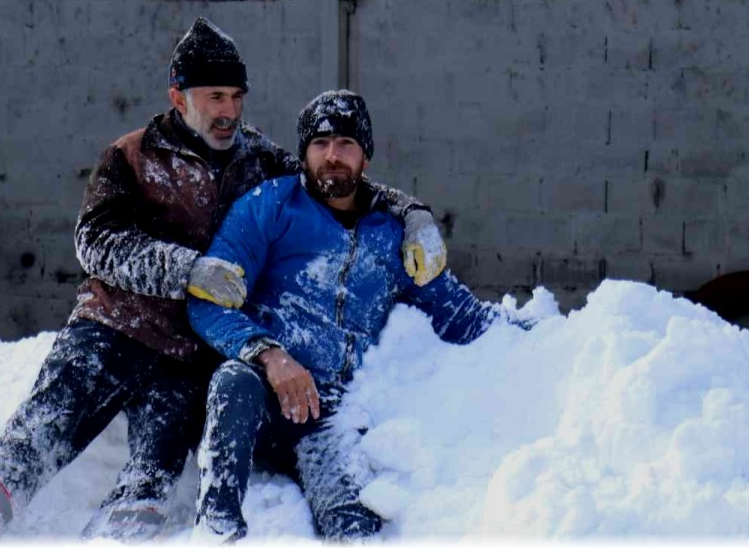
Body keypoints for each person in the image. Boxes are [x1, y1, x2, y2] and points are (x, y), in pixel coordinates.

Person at [0, 20, 447, 543]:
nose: (228, 110)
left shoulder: (257, 159)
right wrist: (187, 269)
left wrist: (413, 212)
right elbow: (96, 242)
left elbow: (331, 180)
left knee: (149, 491)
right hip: (111, 331)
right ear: (178, 96)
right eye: (214, 96)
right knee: (29, 448)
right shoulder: (132, 156)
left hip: (187, 357)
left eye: (236, 96)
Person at [186, 90, 535, 542]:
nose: (333, 156)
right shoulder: (268, 206)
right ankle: (216, 528)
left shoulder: (392, 237)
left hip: (325, 415)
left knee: (354, 530)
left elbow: (462, 318)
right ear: (304, 153)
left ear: (365, 156)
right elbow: (207, 299)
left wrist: (560, 335)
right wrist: (269, 355)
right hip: (260, 394)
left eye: (346, 144)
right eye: (320, 144)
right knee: (234, 379)